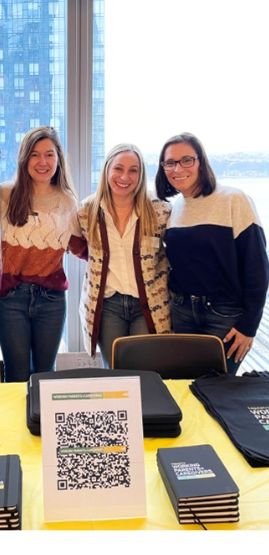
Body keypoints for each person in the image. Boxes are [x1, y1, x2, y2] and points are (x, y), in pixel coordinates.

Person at [156, 132, 269, 374]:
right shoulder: (175, 208)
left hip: (224, 314)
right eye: (170, 162)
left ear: (201, 162)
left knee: (218, 389)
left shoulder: (233, 199)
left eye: (187, 160)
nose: (178, 168)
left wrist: (249, 326)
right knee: (183, 384)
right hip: (181, 311)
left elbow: (257, 267)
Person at [0, 127, 80, 382]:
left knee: (44, 377)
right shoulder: (6, 194)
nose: (43, 162)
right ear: (24, 159)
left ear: (58, 159)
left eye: (49, 155)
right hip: (11, 299)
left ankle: (40, 423)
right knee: (15, 377)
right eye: (35, 155)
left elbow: (79, 245)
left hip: (51, 301)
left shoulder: (68, 201)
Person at [77, 144, 171, 367]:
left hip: (148, 305)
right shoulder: (86, 211)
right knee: (115, 372)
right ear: (107, 170)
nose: (124, 177)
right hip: (108, 305)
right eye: (118, 168)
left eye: (133, 170)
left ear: (141, 175)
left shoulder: (160, 210)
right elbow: (81, 249)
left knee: (146, 371)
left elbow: (176, 255)